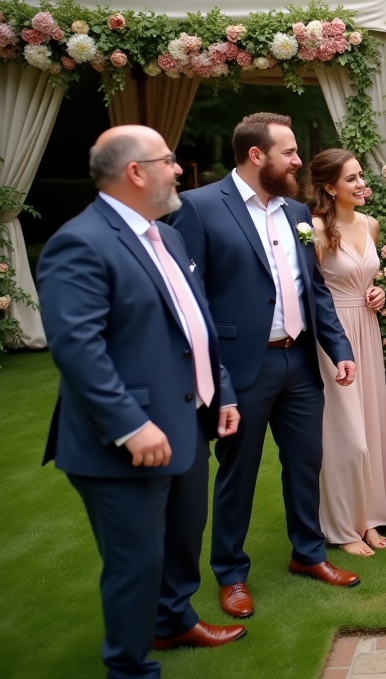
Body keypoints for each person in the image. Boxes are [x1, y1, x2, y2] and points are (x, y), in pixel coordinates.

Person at [40, 126, 246, 679]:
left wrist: (220, 390)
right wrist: (130, 425)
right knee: (136, 563)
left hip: (188, 421)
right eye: (169, 161)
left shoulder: (168, 236)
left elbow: (194, 325)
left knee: (183, 540)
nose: (179, 170)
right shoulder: (80, 242)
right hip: (123, 444)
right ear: (136, 172)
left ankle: (173, 619)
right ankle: (129, 667)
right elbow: (76, 346)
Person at [172, 113, 360, 621]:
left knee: (306, 463)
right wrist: (222, 382)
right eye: (290, 152)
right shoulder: (200, 207)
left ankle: (309, 553)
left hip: (300, 361)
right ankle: (230, 574)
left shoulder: (298, 211)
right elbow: (193, 304)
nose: (299, 161)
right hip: (241, 368)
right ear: (257, 156)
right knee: (239, 473)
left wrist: (338, 348)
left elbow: (314, 287)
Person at [308, 149, 386, 557]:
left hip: (368, 329)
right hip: (335, 336)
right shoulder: (316, 231)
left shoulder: (372, 225)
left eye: (361, 176)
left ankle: (370, 519)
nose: (362, 184)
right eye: (352, 179)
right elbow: (314, 291)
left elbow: (367, 277)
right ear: (329, 187)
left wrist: (376, 293)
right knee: (346, 437)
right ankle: (342, 528)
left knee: (372, 428)